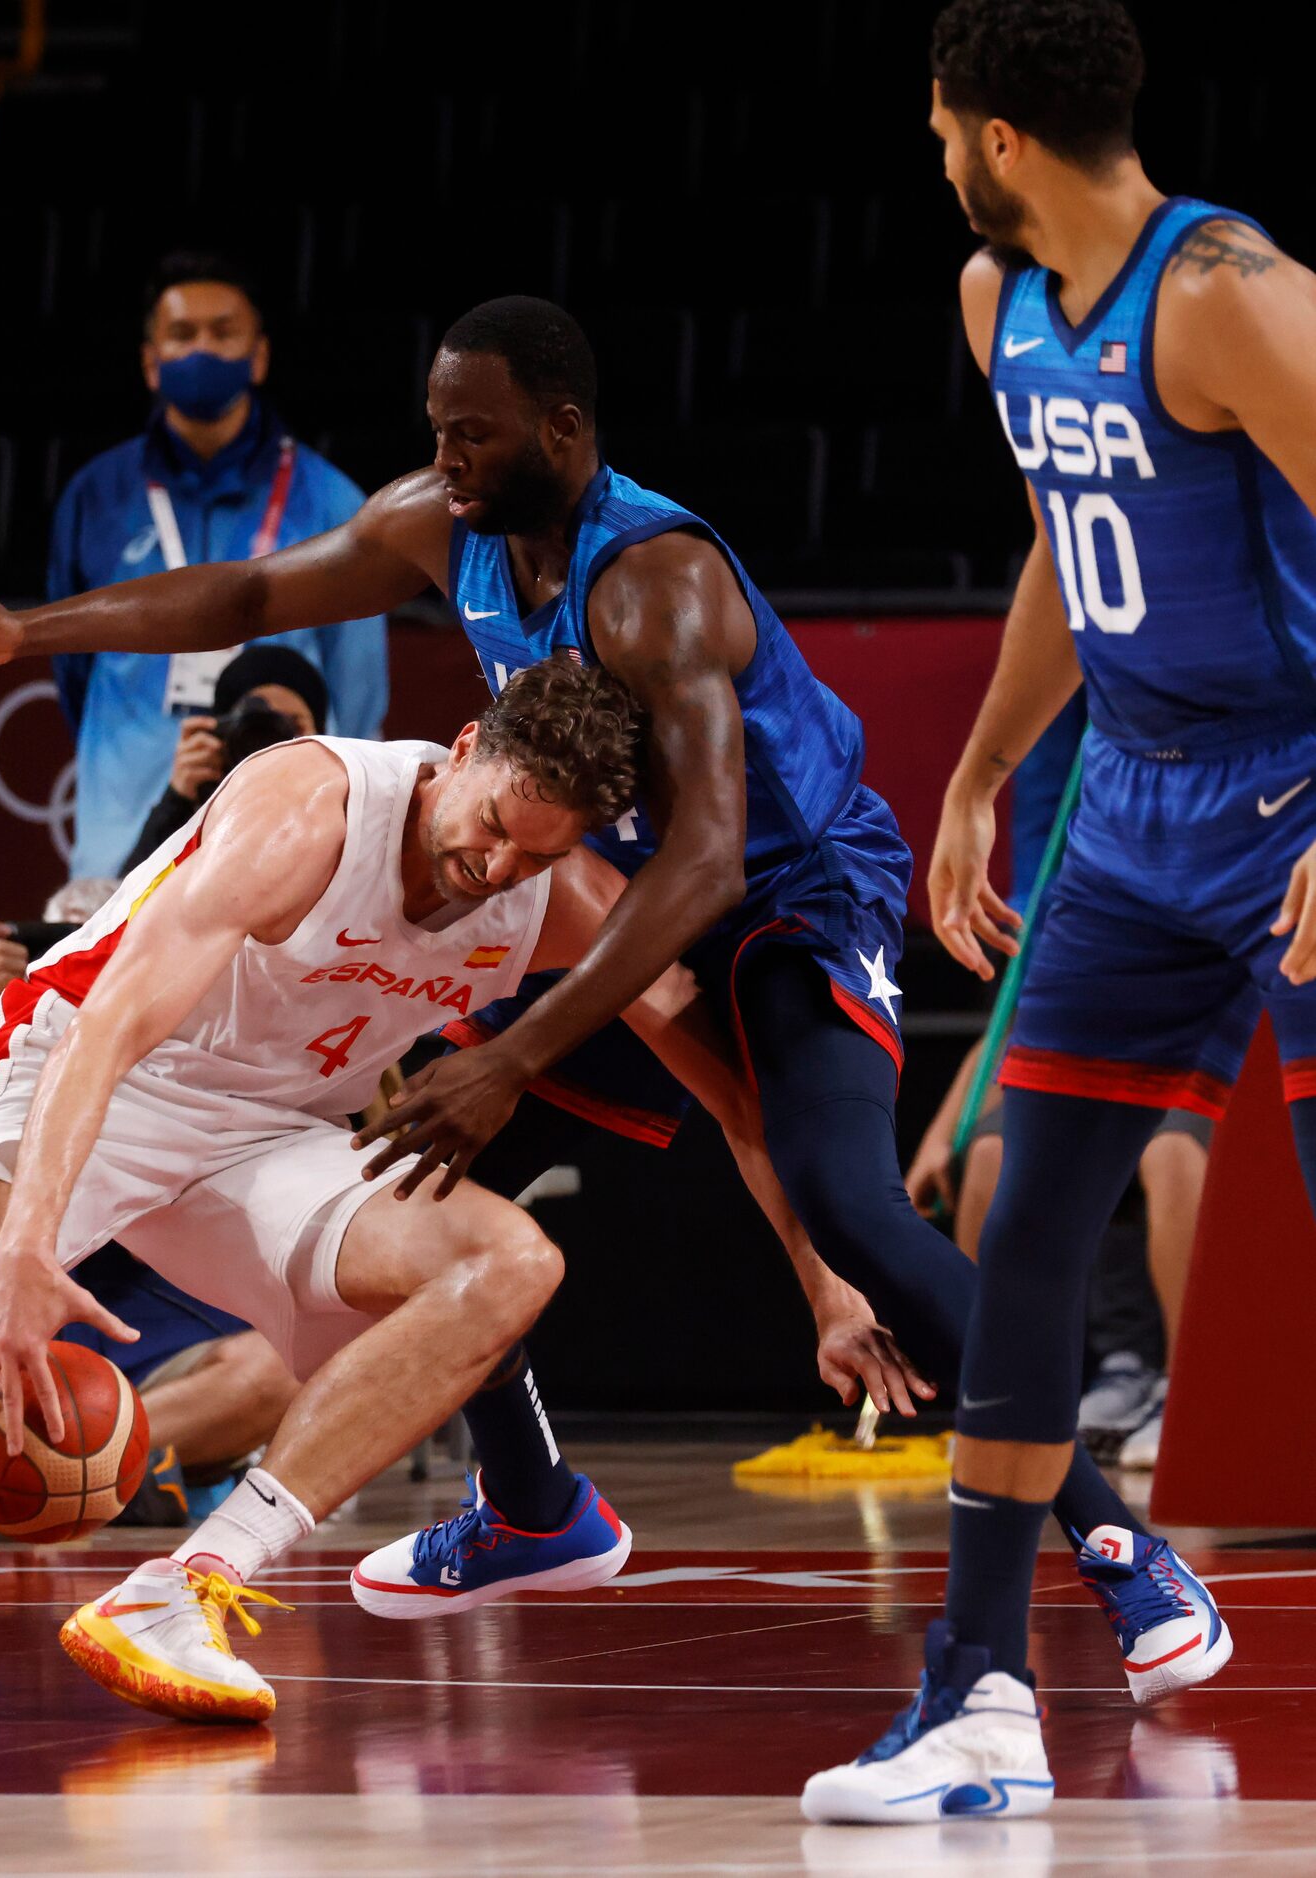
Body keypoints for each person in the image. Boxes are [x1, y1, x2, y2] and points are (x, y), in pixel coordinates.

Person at [0, 296, 1219, 1664]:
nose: (446, 456)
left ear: (562, 428)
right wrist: (20, 631)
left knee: (848, 1204)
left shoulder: (654, 579)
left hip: (788, 892)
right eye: (434, 430)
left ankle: (1121, 1543)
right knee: (412, 1175)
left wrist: (522, 1064)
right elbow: (247, 594)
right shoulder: (446, 525)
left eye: (473, 432)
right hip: (599, 887)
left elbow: (703, 863)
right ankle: (530, 1510)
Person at [0, 660, 881, 1728]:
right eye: (494, 819)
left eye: (533, 850)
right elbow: (116, 1023)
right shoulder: (310, 808)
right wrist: (11, 1269)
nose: (490, 863)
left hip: (265, 1126)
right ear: (456, 750)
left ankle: (183, 1586)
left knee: (508, 1261)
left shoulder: (547, 895)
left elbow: (733, 1097)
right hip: (85, 1055)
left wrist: (824, 1282)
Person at [802, 0, 1316, 1821]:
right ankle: (979, 1692)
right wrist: (981, 770)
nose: (934, 154)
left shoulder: (1231, 291)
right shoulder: (991, 300)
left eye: (939, 125)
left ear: (995, 133)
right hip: (1131, 805)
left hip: (1295, 787)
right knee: (1025, 1220)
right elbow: (1056, 541)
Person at [0, 918, 297, 1523]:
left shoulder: (198, 1027)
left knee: (283, 1374)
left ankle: (66, 1469)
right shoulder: (14, 1018)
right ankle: (117, 1476)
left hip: (145, 1331)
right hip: (14, 1313)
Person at [903, 697, 1207, 1465]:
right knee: (992, 1156)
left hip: (1208, 1058)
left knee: (1167, 1153)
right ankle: (1002, 1393)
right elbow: (1020, 1021)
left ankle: (1186, 1388)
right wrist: (945, 1132)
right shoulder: (1085, 866)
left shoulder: (1225, 829)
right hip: (1105, 1057)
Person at [49, 251, 388, 878]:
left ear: (259, 355)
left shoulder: (334, 501)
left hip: (285, 833)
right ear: (150, 362)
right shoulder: (96, 498)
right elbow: (74, 672)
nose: (203, 349)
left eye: (223, 332)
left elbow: (357, 695)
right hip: (121, 828)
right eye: (182, 334)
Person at [122, 640, 329, 872]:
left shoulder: (343, 814)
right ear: (224, 735)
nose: (273, 746)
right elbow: (130, 901)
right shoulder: (202, 815)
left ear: (322, 737)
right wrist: (177, 800)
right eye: (258, 726)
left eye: (293, 727)